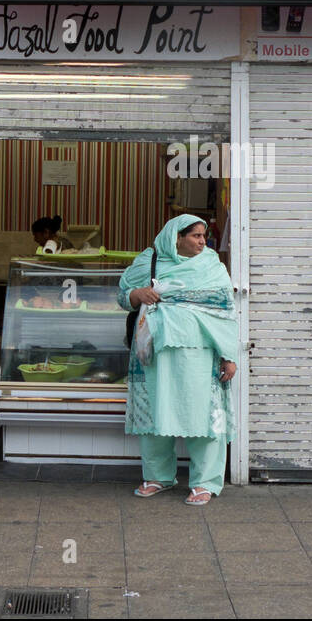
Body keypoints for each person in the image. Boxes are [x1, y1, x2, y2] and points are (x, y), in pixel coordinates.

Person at [118, 214, 238, 505]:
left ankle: (205, 482)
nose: (202, 241)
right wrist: (138, 294)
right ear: (176, 237)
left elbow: (225, 311)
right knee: (156, 413)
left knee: (203, 416)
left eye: (203, 236)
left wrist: (229, 356)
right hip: (155, 355)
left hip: (200, 355)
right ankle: (158, 477)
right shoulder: (150, 260)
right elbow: (122, 296)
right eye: (195, 235)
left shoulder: (211, 265)